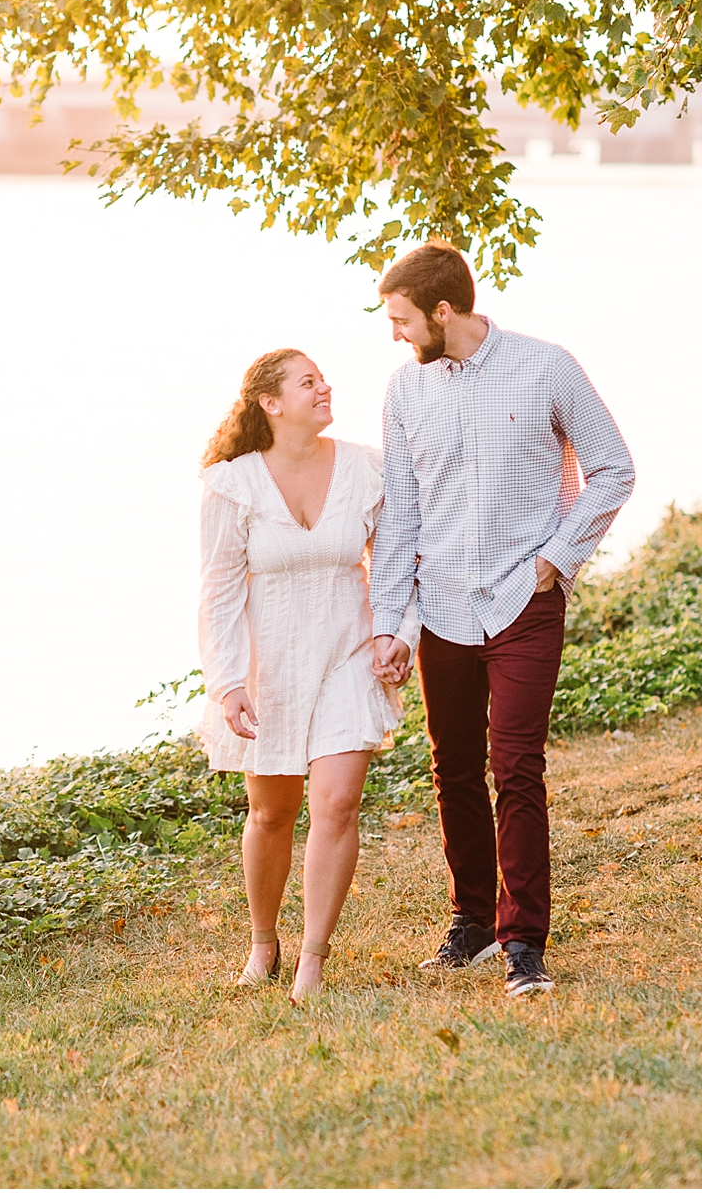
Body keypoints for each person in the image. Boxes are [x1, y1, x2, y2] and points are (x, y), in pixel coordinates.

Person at [368, 241, 635, 1000]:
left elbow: (614, 465)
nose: (395, 334)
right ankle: (475, 923)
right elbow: (401, 516)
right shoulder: (404, 393)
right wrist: (391, 620)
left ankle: (525, 945)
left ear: (443, 312)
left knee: (516, 768)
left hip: (525, 602)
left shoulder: (546, 367)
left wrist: (560, 554)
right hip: (443, 608)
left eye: (401, 319)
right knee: (452, 769)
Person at [199, 348, 420, 1005]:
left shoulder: (365, 468)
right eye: (308, 383)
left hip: (349, 654)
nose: (325, 387)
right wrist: (229, 682)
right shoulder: (230, 483)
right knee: (271, 813)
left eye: (323, 378)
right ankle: (263, 941)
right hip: (269, 667)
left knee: (336, 804)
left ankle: (312, 959)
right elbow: (217, 593)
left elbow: (400, 562)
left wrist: (397, 634)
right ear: (271, 403)